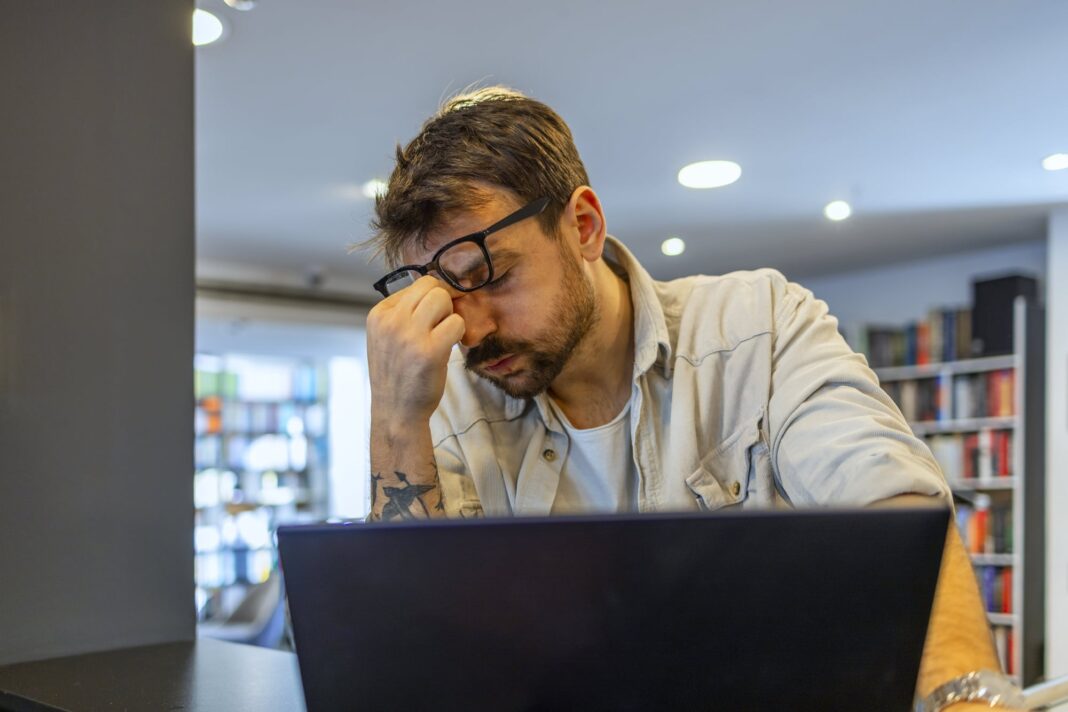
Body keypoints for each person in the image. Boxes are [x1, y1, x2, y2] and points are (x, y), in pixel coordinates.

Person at [362, 86, 1006, 708]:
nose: (470, 330)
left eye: (490, 276)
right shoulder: (446, 396)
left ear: (582, 226)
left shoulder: (760, 326)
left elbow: (897, 517)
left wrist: (964, 700)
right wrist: (395, 420)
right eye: (445, 298)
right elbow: (413, 652)